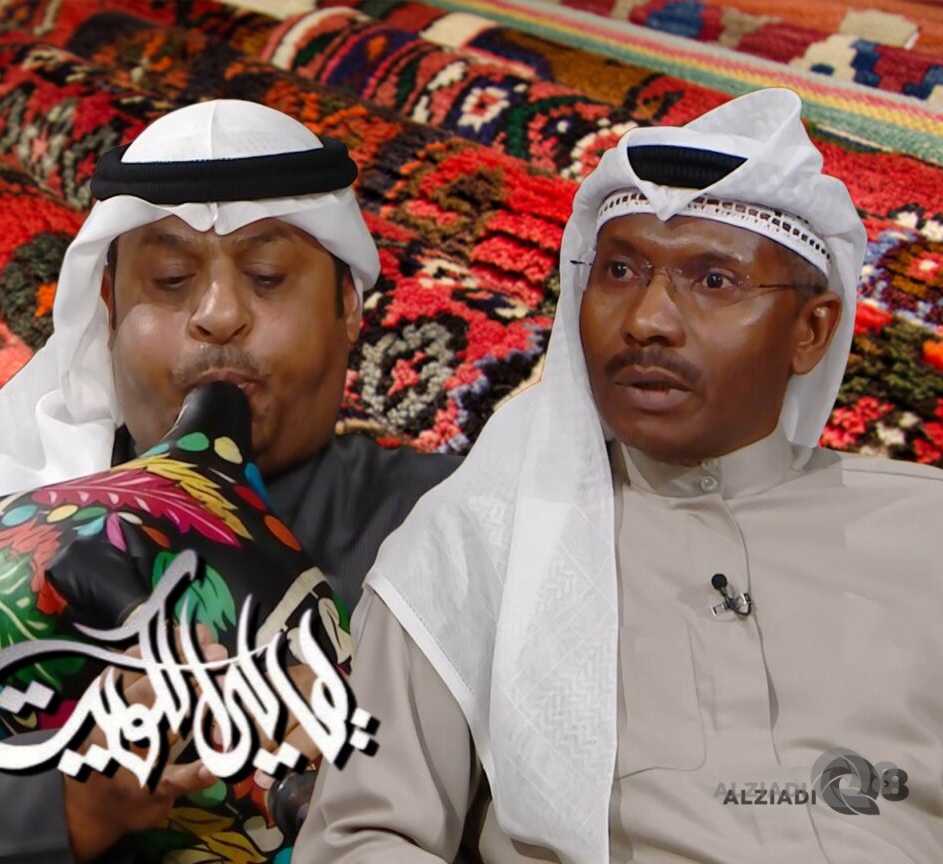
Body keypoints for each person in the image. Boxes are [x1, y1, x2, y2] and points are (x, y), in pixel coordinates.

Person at [0, 99, 462, 863]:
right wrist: (64, 806)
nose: (218, 315)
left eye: (267, 277)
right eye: (171, 280)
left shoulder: (450, 526)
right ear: (106, 308)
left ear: (348, 306)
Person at [297, 88, 943, 863]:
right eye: (621, 271)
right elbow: (358, 841)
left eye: (714, 281)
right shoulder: (482, 540)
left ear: (811, 331)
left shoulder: (925, 533)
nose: (648, 320)